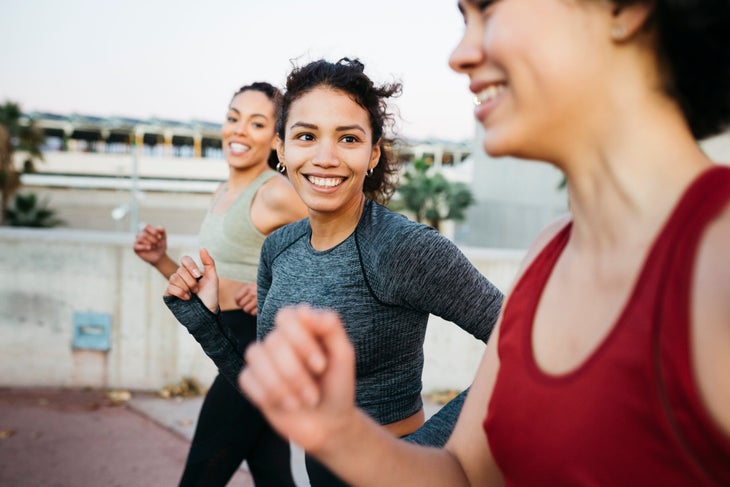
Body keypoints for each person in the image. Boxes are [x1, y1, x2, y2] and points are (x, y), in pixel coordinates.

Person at [237, 0, 730, 485]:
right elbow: (462, 474)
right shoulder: (551, 250)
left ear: (622, 8)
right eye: (463, 18)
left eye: (489, 10)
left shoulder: (718, 255)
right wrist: (341, 434)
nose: (460, 54)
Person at [163, 58, 504, 486]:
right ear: (282, 150)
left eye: (348, 138)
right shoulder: (278, 248)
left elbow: (521, 346)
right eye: (306, 136)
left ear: (373, 153)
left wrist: (425, 452)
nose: (325, 158)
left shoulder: (401, 247)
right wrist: (205, 318)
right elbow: (276, 397)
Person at [133, 81, 307, 486]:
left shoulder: (274, 192)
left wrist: (279, 293)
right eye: (234, 118)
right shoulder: (223, 191)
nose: (240, 130)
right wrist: (161, 259)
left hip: (256, 345)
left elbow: (336, 241)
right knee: (273, 472)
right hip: (229, 334)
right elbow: (213, 282)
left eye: (257, 123)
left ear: (276, 139)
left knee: (200, 476)